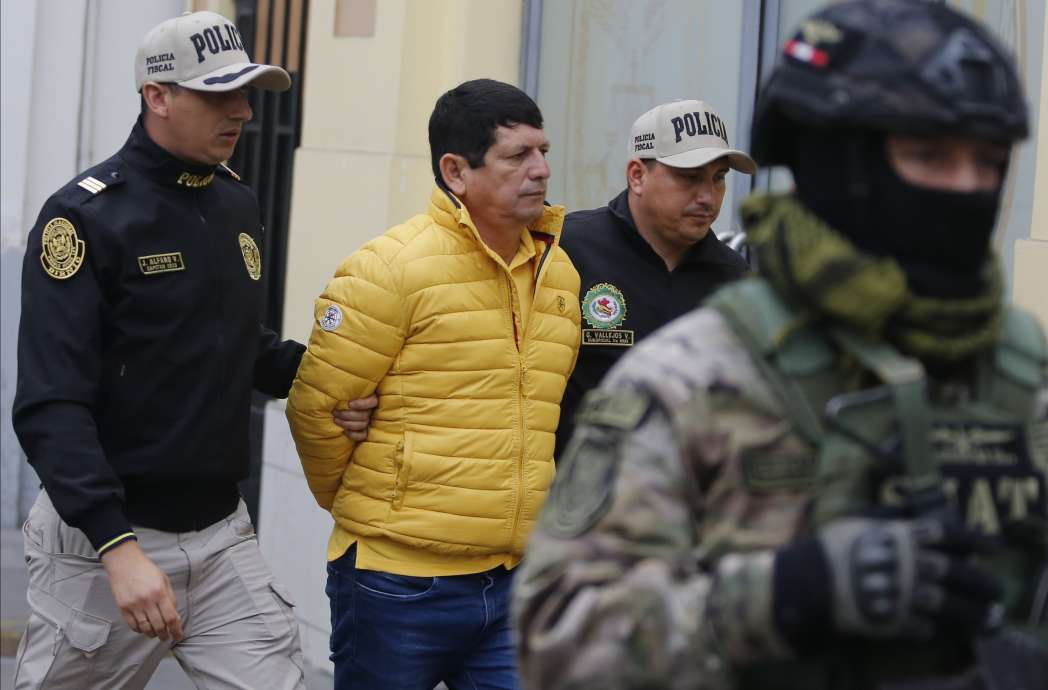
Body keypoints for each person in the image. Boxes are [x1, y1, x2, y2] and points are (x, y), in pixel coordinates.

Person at [513, 2, 1048, 689]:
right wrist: (785, 596)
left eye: (986, 162)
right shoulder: (696, 378)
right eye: (929, 156)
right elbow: (561, 642)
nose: (966, 188)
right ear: (837, 164)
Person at [11, 11, 374, 689]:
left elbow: (243, 347)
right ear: (158, 96)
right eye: (217, 96)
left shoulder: (234, 202)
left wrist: (332, 380)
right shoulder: (84, 217)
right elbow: (50, 405)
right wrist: (116, 548)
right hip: (103, 544)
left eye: (246, 95)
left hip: (219, 534)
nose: (241, 112)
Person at [285, 78, 581, 689]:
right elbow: (316, 408)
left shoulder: (559, 275)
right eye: (518, 155)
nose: (541, 170)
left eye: (544, 152)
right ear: (455, 171)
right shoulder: (388, 268)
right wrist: (371, 504)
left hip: (515, 579)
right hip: (398, 584)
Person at [555, 99, 756, 454]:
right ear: (637, 176)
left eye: (719, 178)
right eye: (690, 177)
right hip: (577, 496)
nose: (708, 196)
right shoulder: (567, 250)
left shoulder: (734, 278)